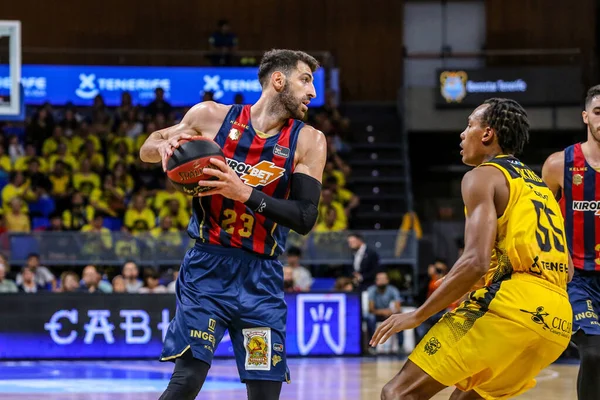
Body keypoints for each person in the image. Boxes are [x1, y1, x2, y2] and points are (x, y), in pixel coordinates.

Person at [140, 49, 326, 400]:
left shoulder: (308, 140)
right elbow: (147, 147)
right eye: (306, 80)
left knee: (264, 394)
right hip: (207, 270)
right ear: (278, 80)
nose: (312, 92)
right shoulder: (210, 116)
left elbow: (304, 217)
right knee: (185, 382)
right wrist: (165, 146)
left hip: (261, 279)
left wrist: (245, 193)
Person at [371, 98, 573, 399]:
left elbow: (475, 262)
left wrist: (418, 315)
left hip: (511, 306)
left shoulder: (483, 176)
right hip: (557, 322)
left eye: (470, 125)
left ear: (488, 134)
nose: (463, 134)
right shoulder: (541, 189)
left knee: (399, 393)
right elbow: (567, 269)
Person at [542, 84, 600, 400]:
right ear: (585, 117)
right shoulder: (558, 165)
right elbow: (539, 221)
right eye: (598, 112)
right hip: (576, 278)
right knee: (593, 353)